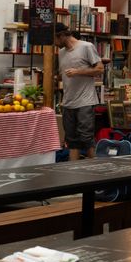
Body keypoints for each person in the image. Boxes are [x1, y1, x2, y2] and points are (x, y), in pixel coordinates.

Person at [55, 23, 104, 160]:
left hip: (85, 102)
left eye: (55, 39)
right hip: (68, 102)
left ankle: (97, 172)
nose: (54, 43)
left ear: (62, 36)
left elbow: (100, 69)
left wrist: (78, 71)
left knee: (87, 138)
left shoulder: (86, 47)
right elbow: (63, 75)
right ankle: (73, 175)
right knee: (71, 141)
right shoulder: (61, 52)